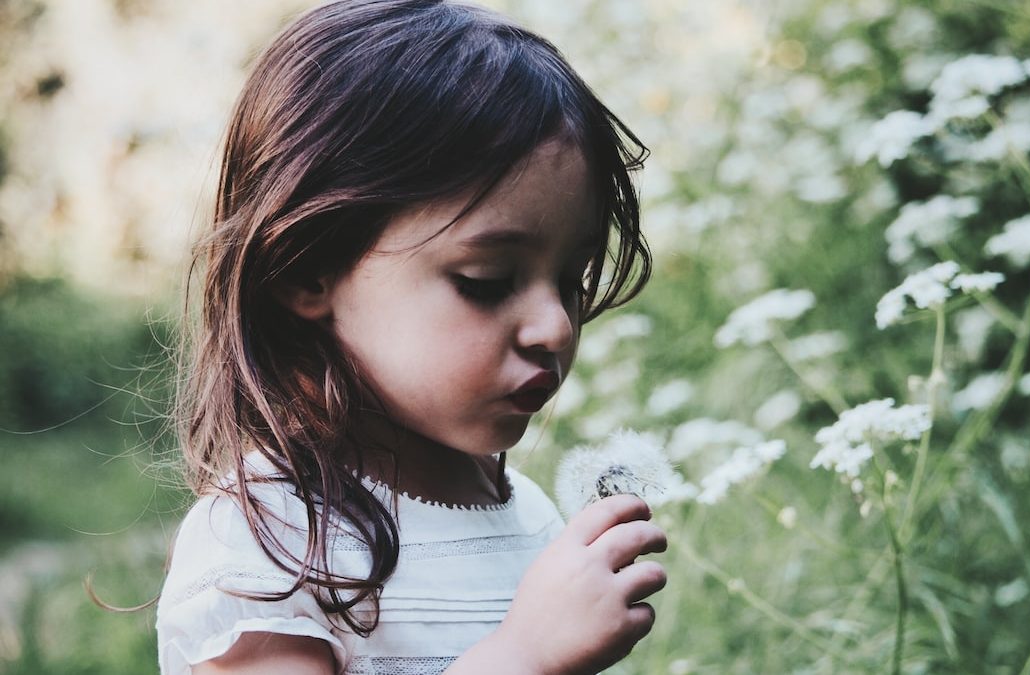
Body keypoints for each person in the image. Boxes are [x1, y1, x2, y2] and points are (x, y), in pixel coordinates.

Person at [155, 1, 666, 673]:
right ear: (307, 268)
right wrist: (523, 656)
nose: (557, 326)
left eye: (574, 278)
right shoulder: (268, 545)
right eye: (486, 279)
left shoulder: (529, 516)